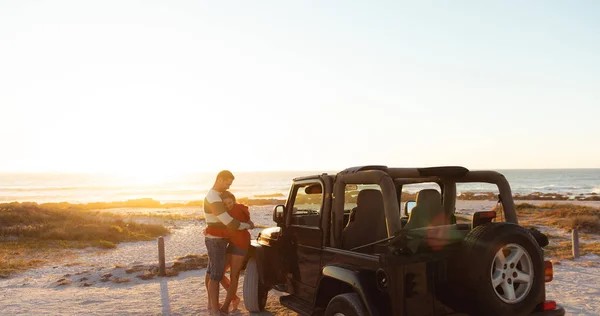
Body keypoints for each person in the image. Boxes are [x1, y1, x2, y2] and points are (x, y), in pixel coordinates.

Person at [203, 170, 253, 315]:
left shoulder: (217, 196)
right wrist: (247, 225)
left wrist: (210, 228)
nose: (229, 187)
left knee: (213, 273)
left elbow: (225, 221)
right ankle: (215, 309)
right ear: (219, 179)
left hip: (222, 239)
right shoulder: (214, 197)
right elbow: (229, 222)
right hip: (216, 241)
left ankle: (217, 304)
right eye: (227, 183)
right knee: (215, 275)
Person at [219, 191, 251, 313]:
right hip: (232, 244)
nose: (228, 205)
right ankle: (235, 298)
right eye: (225, 204)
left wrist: (249, 223)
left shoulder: (240, 209)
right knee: (219, 274)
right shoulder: (225, 213)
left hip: (241, 243)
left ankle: (226, 306)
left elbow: (246, 222)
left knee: (234, 276)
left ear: (234, 200)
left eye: (229, 202)